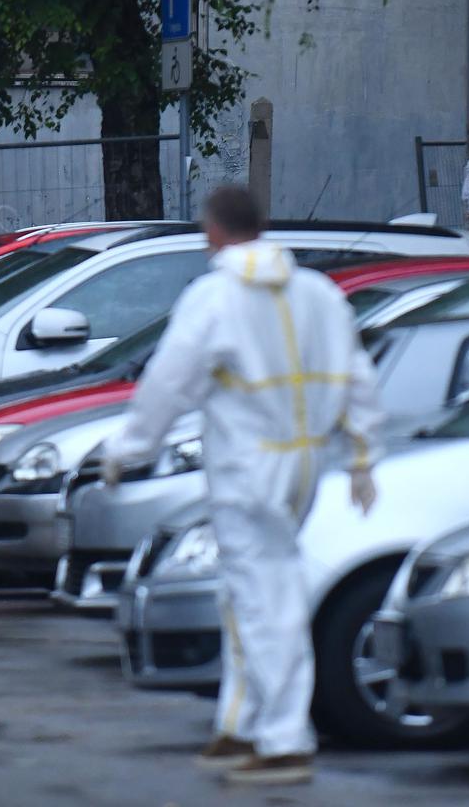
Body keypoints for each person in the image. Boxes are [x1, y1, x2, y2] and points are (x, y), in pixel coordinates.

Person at [102, 185, 380, 788]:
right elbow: (358, 375)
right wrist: (362, 457)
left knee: (264, 600)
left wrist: (129, 448)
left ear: (213, 230)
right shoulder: (317, 292)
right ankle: (241, 724)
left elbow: (169, 381)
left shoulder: (215, 295)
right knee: (246, 595)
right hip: (305, 464)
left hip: (247, 467)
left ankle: (284, 740)